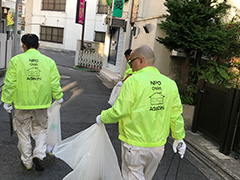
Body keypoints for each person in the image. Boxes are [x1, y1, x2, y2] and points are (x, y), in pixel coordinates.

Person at [96, 45, 186, 180]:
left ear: (141, 61)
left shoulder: (133, 81)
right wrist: (178, 137)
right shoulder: (170, 84)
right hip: (157, 146)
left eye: (131, 62)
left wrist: (102, 117)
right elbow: (175, 114)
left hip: (134, 145)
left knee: (132, 175)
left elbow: (120, 111)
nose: (130, 66)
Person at [1, 33, 63, 171]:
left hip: (22, 104)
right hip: (42, 104)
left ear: (23, 46)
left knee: (23, 132)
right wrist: (58, 96)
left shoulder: (16, 61)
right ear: (38, 45)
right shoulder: (49, 62)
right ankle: (39, 154)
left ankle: (27, 162)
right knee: (41, 129)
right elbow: (54, 82)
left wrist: (7, 100)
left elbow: (10, 82)